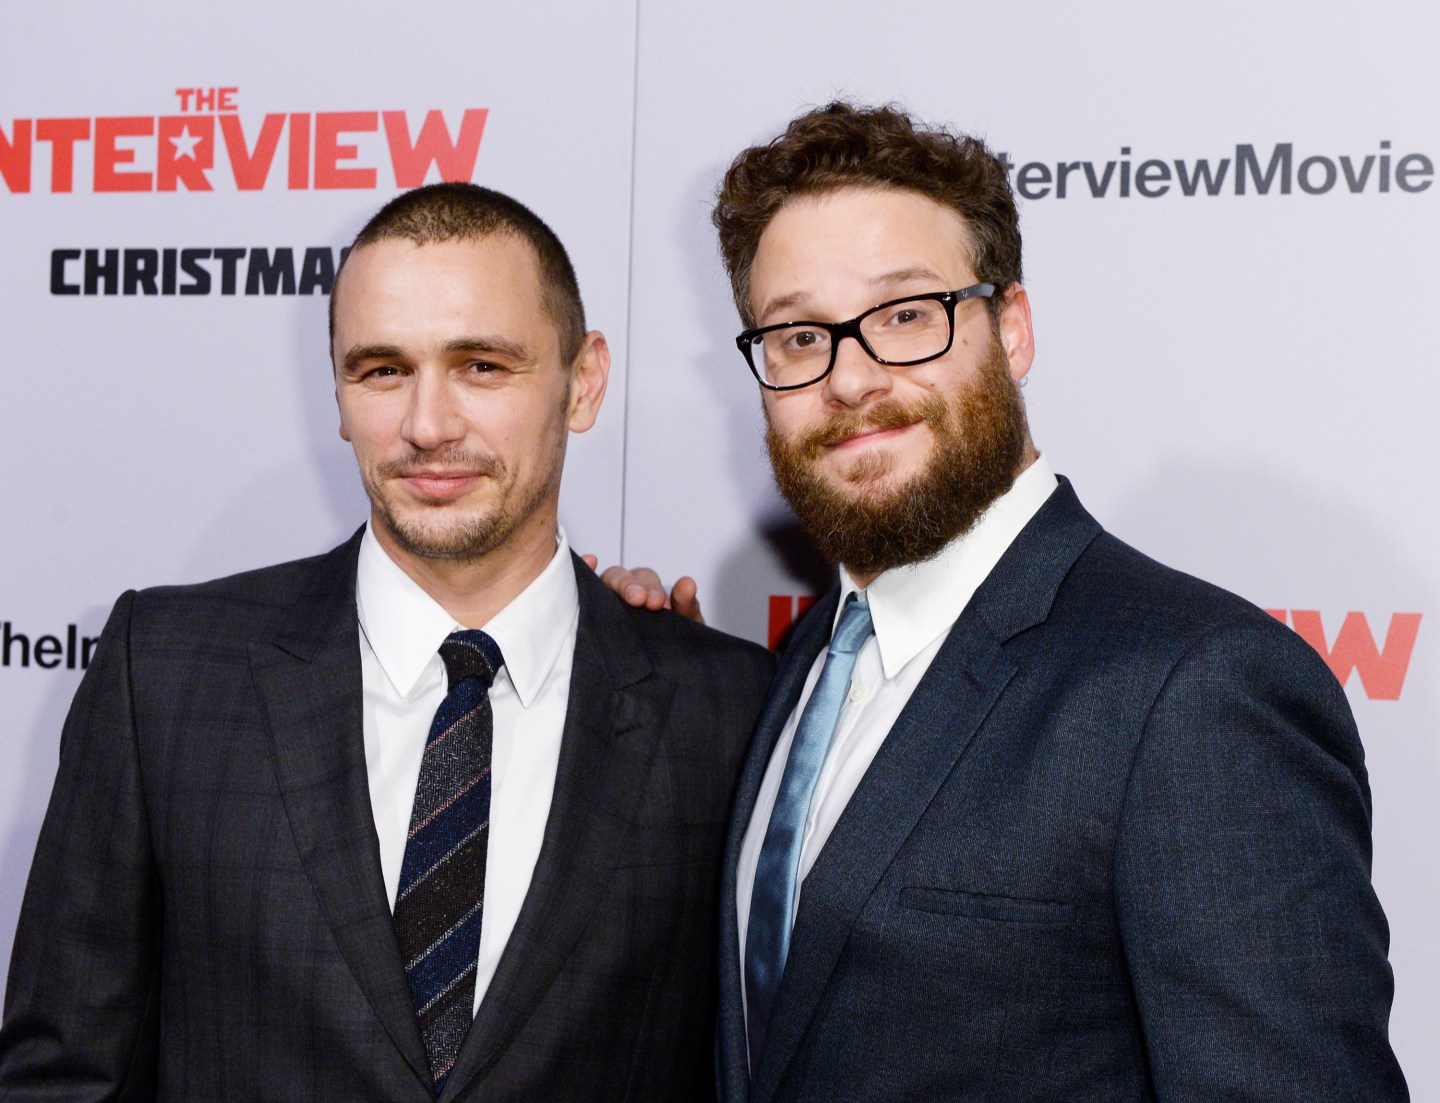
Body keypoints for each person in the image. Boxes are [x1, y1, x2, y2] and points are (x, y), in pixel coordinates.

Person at [604, 103, 1408, 1101]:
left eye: (906, 314)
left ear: (1011, 327)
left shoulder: (1194, 687)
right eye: (801, 334)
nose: (851, 377)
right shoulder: (798, 668)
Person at [0, 182, 774, 1102]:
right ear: (336, 389)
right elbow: (62, 1077)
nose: (427, 425)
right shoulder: (163, 674)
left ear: (585, 380)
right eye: (381, 370)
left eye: (482, 366)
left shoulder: (728, 710)